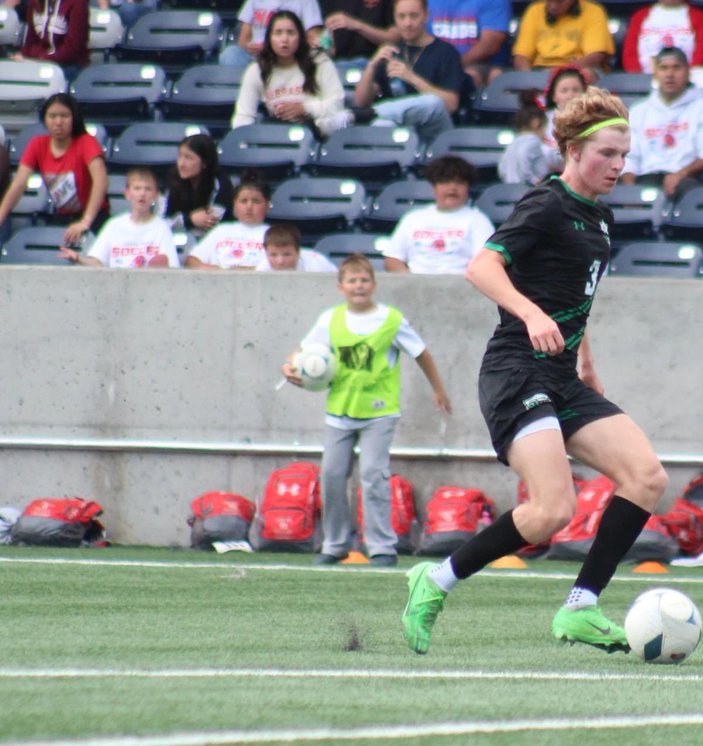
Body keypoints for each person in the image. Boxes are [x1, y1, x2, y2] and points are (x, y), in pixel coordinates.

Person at [400, 87, 668, 656]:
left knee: (646, 477)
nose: (619, 166)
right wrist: (528, 311)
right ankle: (435, 579)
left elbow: (577, 295)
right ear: (572, 150)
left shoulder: (600, 216)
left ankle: (581, 608)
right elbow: (482, 266)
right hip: (516, 369)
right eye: (607, 155)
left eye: (625, 154)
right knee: (553, 509)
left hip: (563, 375)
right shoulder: (545, 204)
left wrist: (586, 360)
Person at [282, 254, 452, 567]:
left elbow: (422, 353)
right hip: (339, 411)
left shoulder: (391, 319)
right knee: (332, 476)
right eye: (352, 280)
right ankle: (334, 544)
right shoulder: (330, 319)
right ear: (340, 287)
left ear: (373, 284)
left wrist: (438, 389)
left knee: (374, 476)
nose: (358, 286)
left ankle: (381, 547)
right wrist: (290, 366)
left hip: (379, 412)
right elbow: (302, 352)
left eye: (364, 280)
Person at [0, 93, 108, 248]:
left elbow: (101, 180)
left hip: (94, 218)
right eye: (52, 116)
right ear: (45, 119)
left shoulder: (87, 142)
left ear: (74, 118)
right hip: (61, 217)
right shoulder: (37, 144)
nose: (58, 122)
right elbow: (18, 185)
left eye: (64, 116)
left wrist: (86, 221)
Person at [619, 47, 703, 199]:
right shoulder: (639, 111)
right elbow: (628, 156)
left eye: (676, 68)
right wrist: (630, 191)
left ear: (688, 72)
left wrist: (681, 174)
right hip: (646, 178)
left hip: (689, 180)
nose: (670, 74)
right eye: (664, 68)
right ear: (655, 73)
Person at [354, 0, 464, 149]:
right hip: (402, 133)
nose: (407, 23)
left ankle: (373, 112)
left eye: (414, 16)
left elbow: (450, 105)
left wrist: (411, 78)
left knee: (433, 102)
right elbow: (360, 102)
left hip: (436, 135)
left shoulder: (446, 52)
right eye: (402, 16)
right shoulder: (390, 52)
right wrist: (372, 65)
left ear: (426, 16)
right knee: (381, 124)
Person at [232, 11, 352, 138]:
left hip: (318, 130)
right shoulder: (256, 70)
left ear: (300, 37)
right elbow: (243, 117)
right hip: (276, 132)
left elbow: (337, 104)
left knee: (344, 117)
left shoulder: (320, 62)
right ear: (269, 38)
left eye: (290, 33)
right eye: (278, 33)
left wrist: (305, 108)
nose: (284, 39)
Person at [382, 156, 495, 273]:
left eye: (459, 182)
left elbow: (485, 262)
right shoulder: (412, 218)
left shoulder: (478, 220)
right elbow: (393, 259)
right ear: (434, 187)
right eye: (445, 182)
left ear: (468, 188)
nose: (452, 188)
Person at [59, 168, 180, 268]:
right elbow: (98, 262)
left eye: (148, 189)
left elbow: (171, 267)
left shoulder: (161, 228)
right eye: (137, 188)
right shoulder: (114, 225)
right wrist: (78, 259)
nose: (142, 194)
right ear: (127, 194)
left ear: (155, 195)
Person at [511, 0, 614, 76]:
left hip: (577, 69)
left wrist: (561, 72)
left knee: (587, 74)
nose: (553, 6)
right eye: (549, 1)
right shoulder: (534, 10)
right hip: (540, 71)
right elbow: (521, 55)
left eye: (559, 2)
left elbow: (596, 56)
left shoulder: (593, 11)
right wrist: (527, 76)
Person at [185, 179, 271, 269]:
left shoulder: (272, 233)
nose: (249, 207)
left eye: (256, 201)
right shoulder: (221, 230)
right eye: (243, 201)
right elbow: (192, 260)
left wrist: (240, 272)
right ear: (234, 205)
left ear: (267, 206)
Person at [426, 0, 510, 88]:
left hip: (479, 64)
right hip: (436, 64)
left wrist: (452, 65)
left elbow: (490, 45)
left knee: (471, 76)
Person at [163, 134, 235, 235]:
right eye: (180, 156)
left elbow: (211, 222)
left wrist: (181, 222)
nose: (181, 164)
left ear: (205, 162)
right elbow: (162, 223)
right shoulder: (173, 179)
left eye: (188, 158)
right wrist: (190, 219)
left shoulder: (221, 184)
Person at [220, 0, 326, 67]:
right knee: (230, 54)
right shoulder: (253, 1)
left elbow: (313, 38)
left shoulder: (307, 2)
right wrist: (249, 46)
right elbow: (243, 40)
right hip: (255, 59)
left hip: (290, 58)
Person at [621, 0, 703, 74]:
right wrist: (639, 79)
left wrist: (686, 80)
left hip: (685, 84)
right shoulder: (640, 16)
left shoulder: (700, 18)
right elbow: (630, 53)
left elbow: (702, 55)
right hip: (644, 82)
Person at [11, 0, 89, 79]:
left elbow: (73, 48)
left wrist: (42, 57)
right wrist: (24, 56)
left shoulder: (78, 3)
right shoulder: (34, 3)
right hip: (39, 62)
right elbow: (30, 42)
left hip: (68, 65)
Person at [321, 0, 402, 61]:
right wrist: (323, 43)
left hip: (375, 62)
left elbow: (395, 38)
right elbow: (325, 33)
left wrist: (357, 25)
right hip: (339, 64)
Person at [541, 65, 587, 172]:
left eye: (576, 90)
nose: (570, 95)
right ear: (554, 96)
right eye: (564, 91)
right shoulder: (542, 120)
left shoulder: (594, 120)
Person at [499, 92, 551, 186]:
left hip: (510, 188)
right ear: (536, 123)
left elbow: (502, 167)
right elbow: (523, 155)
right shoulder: (533, 141)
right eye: (545, 128)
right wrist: (533, 179)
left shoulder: (513, 143)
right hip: (528, 189)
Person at [255, 222, 338, 271]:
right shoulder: (262, 269)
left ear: (298, 252)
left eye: (286, 254)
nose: (280, 261)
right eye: (273, 255)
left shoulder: (317, 267)